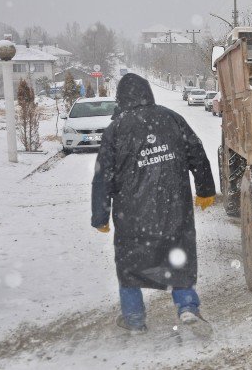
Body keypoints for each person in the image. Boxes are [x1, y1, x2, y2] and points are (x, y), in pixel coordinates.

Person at [91, 73, 216, 333]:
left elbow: (103, 177)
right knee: (177, 256)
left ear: (121, 98)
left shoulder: (116, 129)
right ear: (148, 92)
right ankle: (187, 308)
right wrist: (205, 188)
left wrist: (100, 216)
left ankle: (134, 318)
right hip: (174, 208)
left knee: (130, 265)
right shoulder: (171, 119)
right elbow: (197, 152)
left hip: (132, 215)